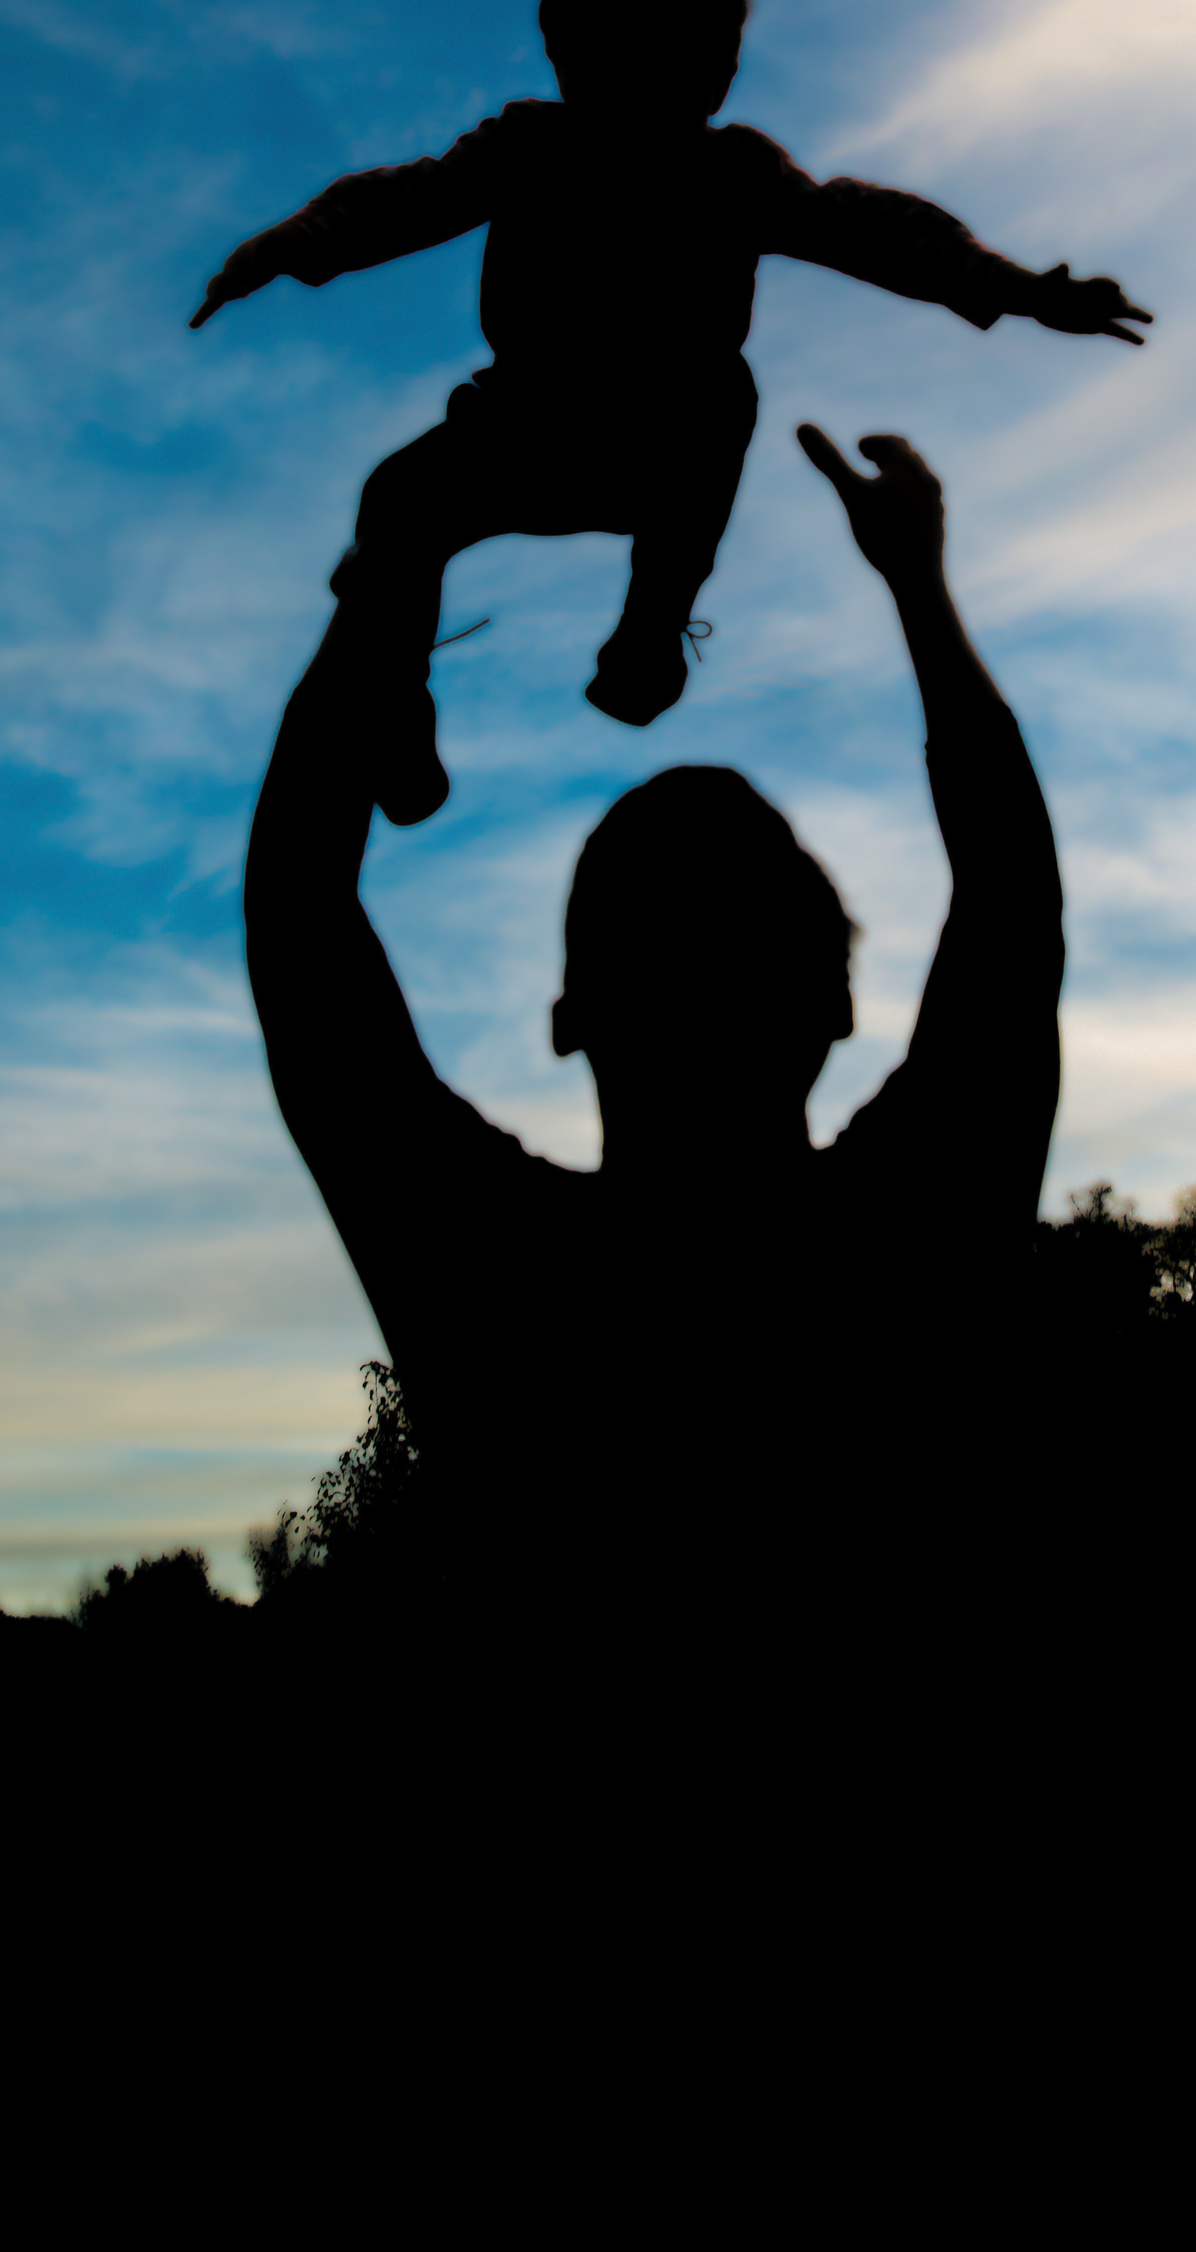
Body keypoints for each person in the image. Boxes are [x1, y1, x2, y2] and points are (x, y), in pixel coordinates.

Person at [242, 424, 1063, 1604]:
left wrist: (388, 577)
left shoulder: (490, 1277)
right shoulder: (915, 1228)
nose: (701, 964)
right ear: (833, 1004)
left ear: (570, 1015)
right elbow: (1009, 905)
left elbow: (296, 913)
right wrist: (918, 591)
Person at [193, 0, 1147, 823]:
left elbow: (866, 226)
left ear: (719, 77)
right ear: (570, 57)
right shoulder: (531, 145)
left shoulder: (733, 174)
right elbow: (411, 197)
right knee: (394, 505)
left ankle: (654, 624)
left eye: (693, 66)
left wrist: (1015, 285)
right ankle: (397, 708)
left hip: (661, 445)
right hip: (523, 426)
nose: (660, 93)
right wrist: (298, 239)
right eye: (627, 57)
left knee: (719, 397)